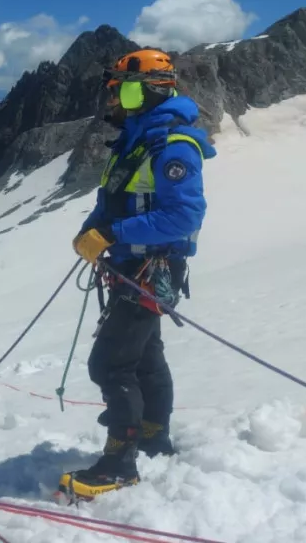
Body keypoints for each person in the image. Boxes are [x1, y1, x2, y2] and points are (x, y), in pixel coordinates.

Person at [62, 49, 217, 501]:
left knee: (111, 363)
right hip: (134, 266)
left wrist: (111, 233)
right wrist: (92, 229)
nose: (113, 95)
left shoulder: (172, 145)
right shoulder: (138, 139)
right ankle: (153, 435)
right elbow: (116, 196)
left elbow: (184, 216)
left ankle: (118, 462)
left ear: (147, 89)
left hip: (152, 267)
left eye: (122, 87)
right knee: (145, 355)